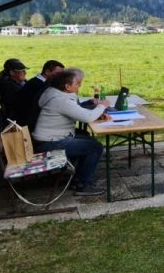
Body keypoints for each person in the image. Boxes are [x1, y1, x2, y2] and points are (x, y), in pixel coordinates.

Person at [33, 68, 110, 197]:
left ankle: (79, 178)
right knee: (95, 147)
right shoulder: (61, 100)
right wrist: (102, 106)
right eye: (77, 84)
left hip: (47, 139)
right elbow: (86, 117)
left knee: (89, 141)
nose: (79, 86)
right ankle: (83, 185)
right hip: (50, 143)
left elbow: (78, 111)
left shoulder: (53, 92)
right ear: (67, 86)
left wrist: (96, 114)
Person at [17, 59, 65, 130]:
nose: (60, 77)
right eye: (58, 74)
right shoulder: (39, 85)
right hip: (31, 124)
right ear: (47, 72)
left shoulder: (37, 82)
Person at [0, 58, 28, 124]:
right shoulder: (10, 87)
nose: (25, 73)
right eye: (22, 71)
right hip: (15, 121)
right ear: (12, 73)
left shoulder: (18, 81)